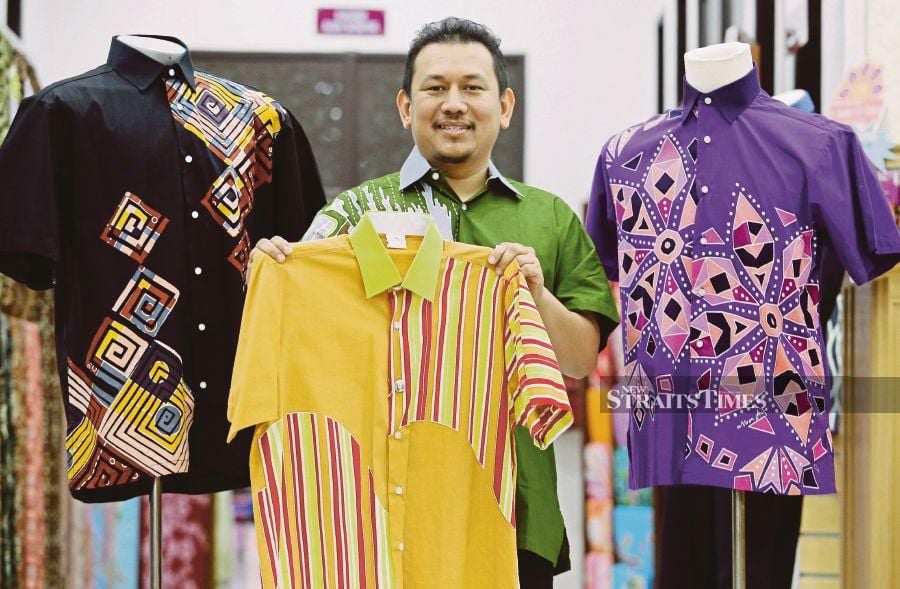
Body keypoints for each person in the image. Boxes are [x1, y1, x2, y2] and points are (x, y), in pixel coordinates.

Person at [253, 17, 618, 587]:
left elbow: (578, 361)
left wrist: (536, 294)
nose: (454, 104)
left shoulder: (549, 219)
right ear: (405, 105)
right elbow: (307, 338)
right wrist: (283, 267)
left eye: (472, 87)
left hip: (513, 514)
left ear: (505, 104)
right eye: (434, 88)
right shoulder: (352, 216)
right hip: (378, 518)